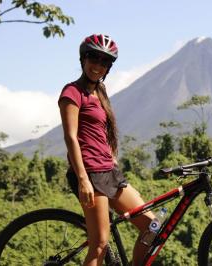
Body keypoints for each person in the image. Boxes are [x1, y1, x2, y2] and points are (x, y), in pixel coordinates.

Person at [58, 34, 154, 266]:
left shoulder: (100, 93)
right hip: (90, 173)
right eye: (94, 58)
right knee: (99, 243)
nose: (98, 65)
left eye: (104, 62)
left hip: (109, 172)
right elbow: (70, 137)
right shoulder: (72, 92)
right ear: (83, 59)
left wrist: (112, 158)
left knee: (153, 227)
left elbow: (104, 132)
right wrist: (82, 179)